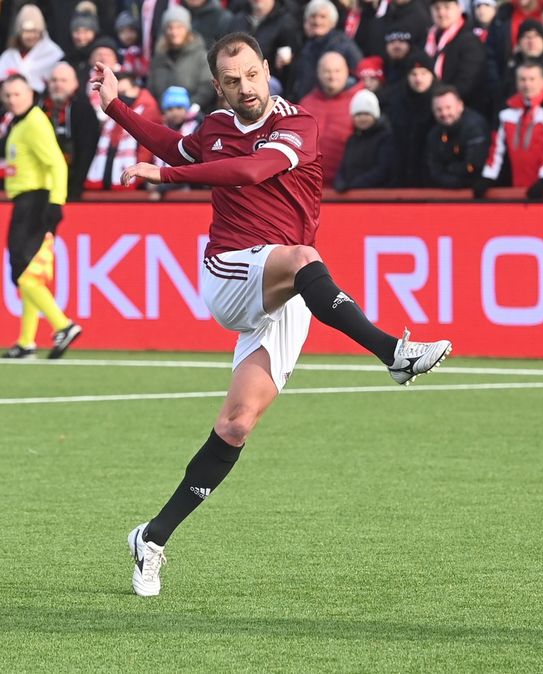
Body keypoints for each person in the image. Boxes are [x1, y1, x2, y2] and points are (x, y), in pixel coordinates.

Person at [88, 32, 452, 597]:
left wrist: (168, 178)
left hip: (286, 289)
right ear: (218, 86)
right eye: (232, 81)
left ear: (265, 71)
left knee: (235, 425)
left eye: (252, 75)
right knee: (305, 257)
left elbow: (251, 172)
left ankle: (152, 539)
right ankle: (393, 353)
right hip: (232, 273)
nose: (245, 87)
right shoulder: (214, 128)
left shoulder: (296, 125)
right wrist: (115, 106)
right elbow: (174, 146)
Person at [1, 75, 82, 360]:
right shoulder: (20, 123)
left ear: (30, 93)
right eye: (8, 95)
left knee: (23, 272)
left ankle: (63, 324)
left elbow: (56, 162)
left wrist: (55, 202)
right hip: (26, 200)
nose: (12, 99)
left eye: (17, 94)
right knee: (27, 272)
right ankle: (26, 341)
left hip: (35, 201)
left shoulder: (34, 121)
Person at [477, 59, 543, 198]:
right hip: (517, 185)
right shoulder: (507, 109)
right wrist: (488, 177)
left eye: (532, 79)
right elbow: (497, 148)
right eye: (522, 80)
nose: (527, 84)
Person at [85, 71, 161, 191]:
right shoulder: (117, 108)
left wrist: (139, 176)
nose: (122, 97)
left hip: (133, 175)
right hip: (110, 169)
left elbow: (147, 147)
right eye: (119, 95)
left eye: (125, 93)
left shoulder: (148, 109)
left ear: (136, 89)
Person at [299, 51, 362, 186]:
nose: (332, 76)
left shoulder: (360, 101)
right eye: (327, 71)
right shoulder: (306, 103)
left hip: (346, 189)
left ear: (347, 72)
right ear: (318, 73)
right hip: (308, 186)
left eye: (337, 71)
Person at [42, 62, 100, 202]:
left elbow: (87, 151)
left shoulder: (83, 109)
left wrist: (75, 188)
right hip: (43, 182)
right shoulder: (39, 108)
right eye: (54, 80)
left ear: (74, 83)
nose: (58, 85)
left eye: (63, 80)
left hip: (73, 183)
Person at [291, 0, 363, 100]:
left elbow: (359, 72)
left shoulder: (344, 43)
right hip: (307, 104)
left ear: (333, 22)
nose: (317, 21)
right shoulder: (306, 46)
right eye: (313, 16)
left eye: (323, 17)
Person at [149, 6, 217, 112]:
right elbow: (151, 88)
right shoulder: (159, 57)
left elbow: (207, 87)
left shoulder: (200, 55)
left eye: (179, 27)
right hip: (163, 116)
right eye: (170, 27)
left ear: (187, 29)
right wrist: (166, 110)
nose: (174, 32)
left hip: (195, 116)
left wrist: (186, 108)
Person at [386, 52, 439, 187]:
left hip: (432, 178)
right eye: (414, 74)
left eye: (423, 73)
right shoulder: (396, 100)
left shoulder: (441, 102)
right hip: (401, 174)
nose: (418, 79)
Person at [425, 83, 490, 189]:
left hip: (474, 193)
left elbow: (474, 166)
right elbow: (433, 169)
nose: (444, 113)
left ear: (460, 106)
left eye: (448, 108)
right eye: (439, 109)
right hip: (443, 191)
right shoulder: (434, 133)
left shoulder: (475, 127)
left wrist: (449, 169)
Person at [427, 0, 488, 111]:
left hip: (461, 108)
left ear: (459, 8)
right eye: (437, 8)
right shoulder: (429, 39)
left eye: (446, 7)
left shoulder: (470, 40)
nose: (441, 13)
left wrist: (444, 100)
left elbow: (468, 81)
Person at [334, 89, 395, 192]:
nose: (362, 118)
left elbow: (383, 170)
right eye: (358, 114)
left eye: (367, 114)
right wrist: (339, 182)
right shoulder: (352, 140)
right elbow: (343, 168)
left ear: (375, 115)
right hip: (350, 196)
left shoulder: (385, 138)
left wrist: (354, 185)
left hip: (375, 197)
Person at [0, 6, 64, 94]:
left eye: (34, 31)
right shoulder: (8, 56)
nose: (30, 36)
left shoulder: (54, 54)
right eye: (26, 31)